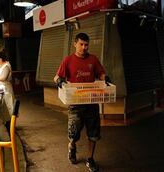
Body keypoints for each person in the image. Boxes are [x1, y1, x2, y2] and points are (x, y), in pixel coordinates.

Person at [54, 33, 106, 172]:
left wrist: (105, 77)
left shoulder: (93, 59)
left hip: (91, 103)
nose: (84, 47)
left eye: (86, 45)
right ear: (75, 44)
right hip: (75, 104)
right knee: (73, 134)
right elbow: (57, 76)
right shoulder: (68, 60)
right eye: (81, 44)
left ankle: (90, 159)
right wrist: (59, 81)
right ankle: (72, 146)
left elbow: (101, 73)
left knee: (93, 134)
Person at [0, 51, 15, 141]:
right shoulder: (1, 65)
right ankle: (8, 129)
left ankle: (10, 131)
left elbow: (3, 78)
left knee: (9, 110)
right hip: (1, 90)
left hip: (7, 91)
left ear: (0, 59)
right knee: (5, 111)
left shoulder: (7, 66)